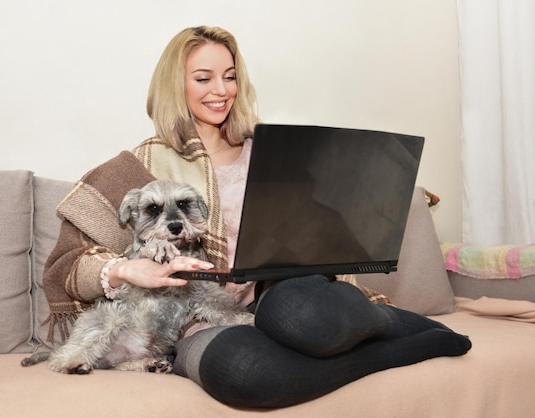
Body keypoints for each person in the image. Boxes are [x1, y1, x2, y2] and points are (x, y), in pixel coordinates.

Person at [43, 25, 471, 409]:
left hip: (279, 295)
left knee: (304, 316)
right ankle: (404, 347)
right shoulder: (138, 166)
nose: (221, 89)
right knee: (243, 373)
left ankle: (384, 321)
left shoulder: (271, 154)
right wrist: (128, 269)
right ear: (176, 85)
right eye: (203, 78)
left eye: (230, 76)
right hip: (192, 318)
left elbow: (318, 233)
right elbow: (69, 264)